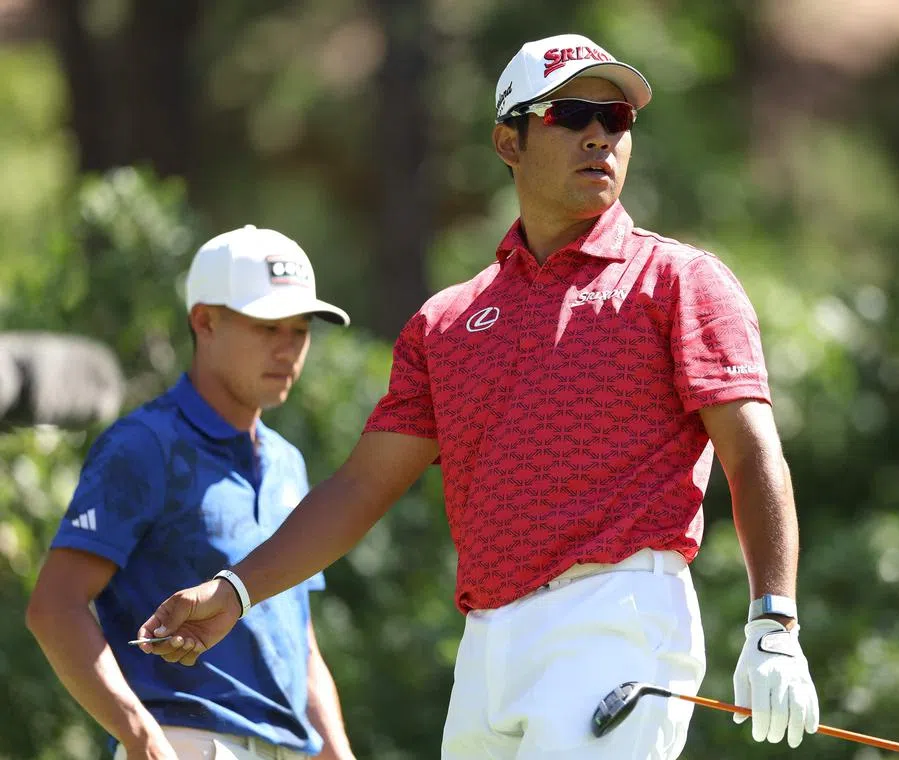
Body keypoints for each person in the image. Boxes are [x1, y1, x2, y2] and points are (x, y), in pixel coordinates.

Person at [136, 33, 820, 759]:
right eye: (571, 115)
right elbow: (363, 485)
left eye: (616, 120)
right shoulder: (449, 321)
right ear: (509, 140)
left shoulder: (679, 283)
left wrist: (773, 624)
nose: (599, 136)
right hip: (488, 642)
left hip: (616, 619)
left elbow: (751, 455)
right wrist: (235, 592)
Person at [25, 225, 357, 760]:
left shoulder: (288, 463)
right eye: (268, 326)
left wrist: (337, 750)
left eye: (300, 330)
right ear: (205, 320)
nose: (288, 349)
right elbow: (54, 605)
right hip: (186, 743)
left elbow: (298, 636)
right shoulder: (144, 445)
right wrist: (139, 733)